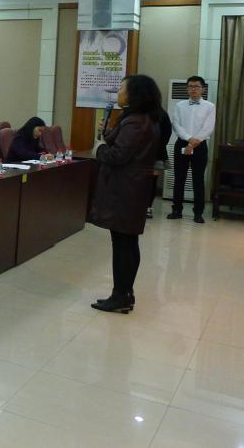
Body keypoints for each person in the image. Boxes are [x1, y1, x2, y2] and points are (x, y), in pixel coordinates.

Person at [89, 74, 162, 314]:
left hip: (125, 189)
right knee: (127, 242)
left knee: (123, 244)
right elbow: (125, 146)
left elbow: (118, 155)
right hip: (132, 188)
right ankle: (125, 293)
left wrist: (99, 149)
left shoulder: (135, 122)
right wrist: (108, 133)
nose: (118, 92)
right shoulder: (141, 119)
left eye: (122, 88)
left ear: (134, 94)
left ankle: (120, 295)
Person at [168, 75, 215, 223]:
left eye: (197, 86)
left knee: (198, 179)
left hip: (200, 146)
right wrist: (188, 139)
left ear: (203, 89)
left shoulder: (210, 106)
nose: (193, 89)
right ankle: (177, 210)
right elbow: (176, 125)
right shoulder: (179, 105)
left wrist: (193, 143)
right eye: (191, 86)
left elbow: (208, 128)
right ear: (187, 89)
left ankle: (198, 213)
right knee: (179, 178)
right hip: (182, 143)